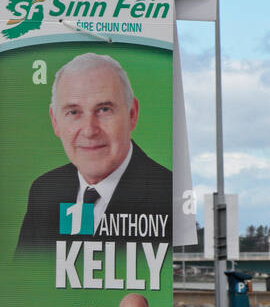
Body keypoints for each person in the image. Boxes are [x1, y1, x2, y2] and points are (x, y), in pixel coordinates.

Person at [15, 53, 171, 252]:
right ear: (55, 122)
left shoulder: (167, 193)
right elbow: (26, 277)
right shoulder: (44, 191)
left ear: (132, 114)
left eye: (104, 110)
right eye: (73, 112)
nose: (89, 130)